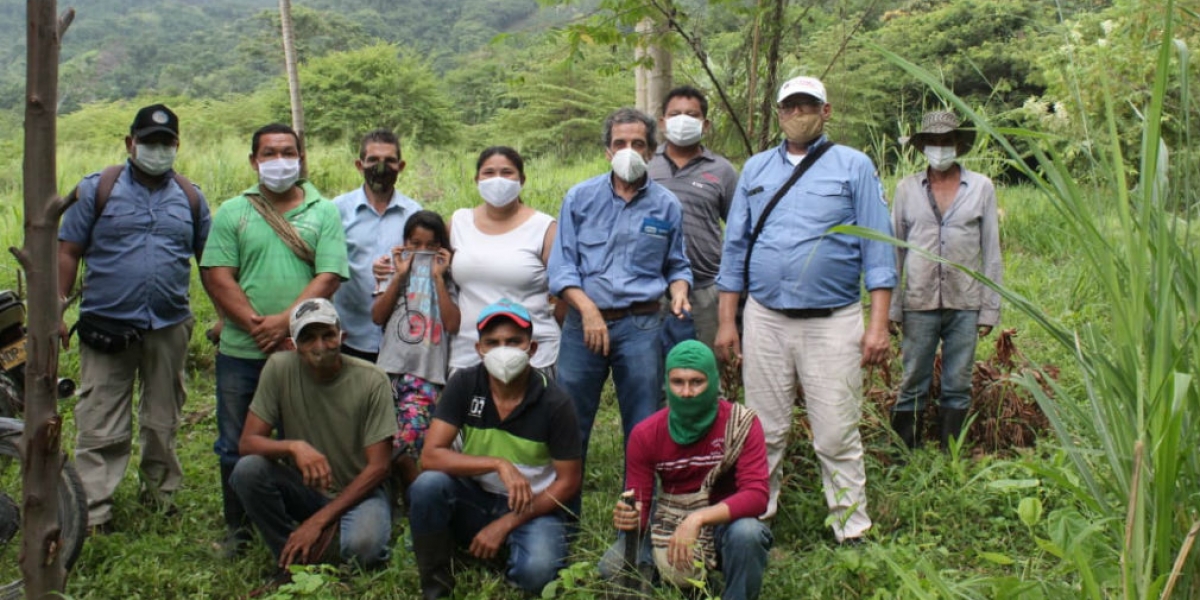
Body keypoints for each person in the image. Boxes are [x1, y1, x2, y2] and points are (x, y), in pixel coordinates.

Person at [715, 76, 897, 543]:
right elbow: (734, 249)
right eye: (790, 106)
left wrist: (878, 327)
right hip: (765, 318)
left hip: (833, 321)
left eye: (807, 105)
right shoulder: (755, 169)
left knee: (836, 430)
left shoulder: (854, 166)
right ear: (778, 113)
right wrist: (726, 323)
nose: (799, 114)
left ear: (826, 110)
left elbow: (879, 252)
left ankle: (851, 526)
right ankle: (757, 513)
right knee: (764, 427)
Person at [57, 103, 211, 531]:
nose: (157, 149)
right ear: (130, 143)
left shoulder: (191, 197)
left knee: (163, 417)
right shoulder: (96, 189)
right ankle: (95, 510)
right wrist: (55, 307)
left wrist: (224, 316)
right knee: (100, 419)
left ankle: (160, 496)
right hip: (107, 323)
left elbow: (210, 262)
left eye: (165, 142)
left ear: (176, 145)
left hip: (168, 324)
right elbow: (67, 250)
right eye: (149, 142)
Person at [200, 123, 349, 555]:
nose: (279, 160)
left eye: (288, 151)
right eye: (269, 153)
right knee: (234, 443)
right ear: (253, 160)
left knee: (299, 439)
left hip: (302, 352)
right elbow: (217, 275)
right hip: (242, 351)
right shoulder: (233, 211)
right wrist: (254, 324)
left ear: (301, 158)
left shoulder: (323, 212)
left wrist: (286, 323)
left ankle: (300, 524)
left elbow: (329, 274)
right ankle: (239, 529)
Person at [547, 107, 693, 469]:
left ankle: (638, 521)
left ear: (651, 151)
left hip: (641, 326)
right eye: (620, 143)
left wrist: (679, 290)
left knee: (644, 427)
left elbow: (677, 263)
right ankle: (561, 521)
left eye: (638, 143)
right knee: (568, 424)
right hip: (584, 325)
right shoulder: (579, 198)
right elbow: (562, 266)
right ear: (608, 151)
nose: (628, 150)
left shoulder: (666, 205)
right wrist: (588, 310)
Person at [407, 299, 582, 599]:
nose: (503, 350)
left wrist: (506, 523)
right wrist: (498, 464)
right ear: (479, 349)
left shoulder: (555, 402)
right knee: (427, 485)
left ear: (532, 348)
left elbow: (569, 482)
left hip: (532, 506)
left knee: (536, 574)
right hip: (474, 495)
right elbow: (431, 456)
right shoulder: (464, 383)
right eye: (493, 342)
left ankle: (502, 546)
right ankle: (436, 584)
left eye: (514, 341)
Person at [230, 298, 396, 572]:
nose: (320, 346)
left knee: (364, 550)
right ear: (292, 345)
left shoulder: (373, 379)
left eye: (328, 335)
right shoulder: (279, 368)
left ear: (342, 337)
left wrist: (318, 521)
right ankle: (290, 555)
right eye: (308, 338)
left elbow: (379, 468)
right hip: (306, 489)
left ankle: (319, 538)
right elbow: (248, 443)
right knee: (248, 469)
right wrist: (293, 447)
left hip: (359, 491)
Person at [603, 340, 772, 600]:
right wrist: (631, 518)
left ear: (713, 383)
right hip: (668, 518)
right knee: (611, 566)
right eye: (678, 382)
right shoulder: (647, 434)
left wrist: (698, 518)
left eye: (696, 382)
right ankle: (675, 584)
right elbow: (642, 504)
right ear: (667, 384)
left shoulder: (741, 424)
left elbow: (757, 495)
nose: (687, 392)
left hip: (722, 524)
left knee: (748, 534)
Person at [889, 111, 1002, 449]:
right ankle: (905, 452)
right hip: (919, 301)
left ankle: (950, 452)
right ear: (923, 146)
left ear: (957, 144)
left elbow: (991, 251)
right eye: (933, 142)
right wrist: (893, 307)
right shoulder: (907, 189)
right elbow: (894, 250)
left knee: (958, 381)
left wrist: (990, 310)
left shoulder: (981, 187)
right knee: (912, 380)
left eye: (946, 142)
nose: (940, 148)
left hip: (965, 302)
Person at [449, 147, 562, 375]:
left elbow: (565, 286)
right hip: (469, 353)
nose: (497, 179)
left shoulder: (544, 227)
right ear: (477, 179)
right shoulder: (458, 222)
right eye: (489, 173)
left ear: (522, 179)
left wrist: (554, 322)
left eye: (506, 172)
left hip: (532, 355)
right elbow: (434, 267)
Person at [371, 210, 459, 487]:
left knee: (406, 442)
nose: (422, 251)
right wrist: (398, 276)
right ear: (404, 243)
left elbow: (452, 322)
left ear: (441, 248)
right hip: (388, 371)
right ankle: (396, 498)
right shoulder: (393, 269)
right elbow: (377, 316)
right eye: (415, 243)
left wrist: (437, 277)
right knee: (383, 439)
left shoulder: (448, 277)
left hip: (426, 376)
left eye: (430, 246)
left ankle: (415, 496)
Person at [648, 86, 739, 349]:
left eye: (692, 114)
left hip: (706, 290)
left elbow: (737, 230)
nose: (683, 120)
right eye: (675, 114)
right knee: (651, 374)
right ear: (663, 122)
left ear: (705, 124)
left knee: (703, 367)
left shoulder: (722, 170)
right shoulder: (646, 165)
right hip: (650, 289)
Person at [333, 128, 423, 363]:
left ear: (400, 166)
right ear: (359, 164)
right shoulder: (337, 211)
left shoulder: (415, 214)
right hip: (347, 336)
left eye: (389, 161)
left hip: (400, 337)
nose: (381, 167)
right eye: (373, 160)